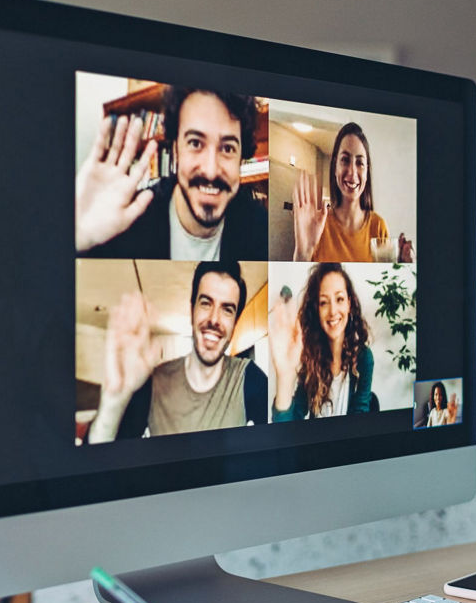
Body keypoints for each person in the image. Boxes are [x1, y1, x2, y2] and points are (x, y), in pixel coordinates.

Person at [75, 87, 267, 261]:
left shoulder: (260, 229)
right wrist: (80, 236)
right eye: (195, 143)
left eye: (227, 148)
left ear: (241, 157)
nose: (210, 170)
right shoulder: (128, 222)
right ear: (175, 150)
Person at [86, 261, 268, 442]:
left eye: (227, 310)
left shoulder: (249, 378)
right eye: (206, 303)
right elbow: (98, 460)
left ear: (235, 322)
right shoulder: (154, 383)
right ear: (192, 309)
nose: (214, 319)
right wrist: (113, 400)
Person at [270, 263, 374, 419]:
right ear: (316, 309)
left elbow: (359, 419)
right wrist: (284, 377)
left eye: (339, 299)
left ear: (349, 304)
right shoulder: (311, 359)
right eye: (324, 302)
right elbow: (290, 423)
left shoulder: (364, 358)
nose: (332, 311)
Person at [292, 122, 390, 262]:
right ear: (335, 166)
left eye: (359, 163)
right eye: (345, 160)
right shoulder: (318, 225)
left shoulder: (378, 226)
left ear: (367, 171)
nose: (352, 172)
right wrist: (303, 252)